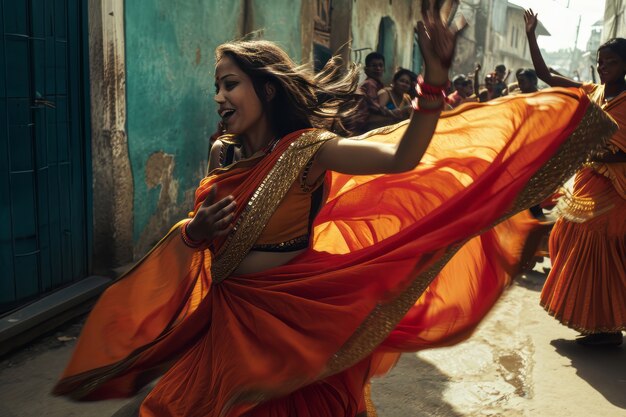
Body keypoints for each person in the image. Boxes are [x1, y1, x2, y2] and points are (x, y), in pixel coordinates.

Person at [51, 3, 616, 416]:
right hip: (228, 321)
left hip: (295, 326)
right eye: (216, 87)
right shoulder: (222, 152)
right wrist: (193, 233)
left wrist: (434, 82)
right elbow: (209, 242)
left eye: (231, 85)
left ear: (266, 91)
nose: (220, 98)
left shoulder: (308, 151)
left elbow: (403, 156)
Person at [525, 9, 626, 346]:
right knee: (566, 233)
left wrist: (595, 149)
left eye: (610, 61)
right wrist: (531, 36)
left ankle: (607, 327)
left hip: (616, 187)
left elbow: (620, 150)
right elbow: (545, 74)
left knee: (595, 240)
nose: (603, 67)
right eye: (600, 61)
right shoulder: (594, 92)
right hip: (588, 178)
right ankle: (597, 321)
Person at [354, 51, 397, 132]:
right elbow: (373, 105)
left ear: (384, 69)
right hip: (362, 123)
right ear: (366, 69)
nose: (378, 68)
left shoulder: (380, 85)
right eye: (374, 66)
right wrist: (390, 112)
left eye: (380, 66)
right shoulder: (370, 83)